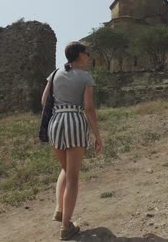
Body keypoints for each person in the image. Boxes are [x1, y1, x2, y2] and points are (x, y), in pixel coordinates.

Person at [41, 41, 103, 240]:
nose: (89, 56)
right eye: (87, 53)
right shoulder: (85, 77)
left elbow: (44, 101)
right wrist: (97, 135)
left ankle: (60, 210)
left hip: (55, 122)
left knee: (66, 170)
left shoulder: (55, 73)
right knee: (73, 178)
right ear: (79, 55)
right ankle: (66, 227)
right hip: (74, 122)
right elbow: (88, 107)